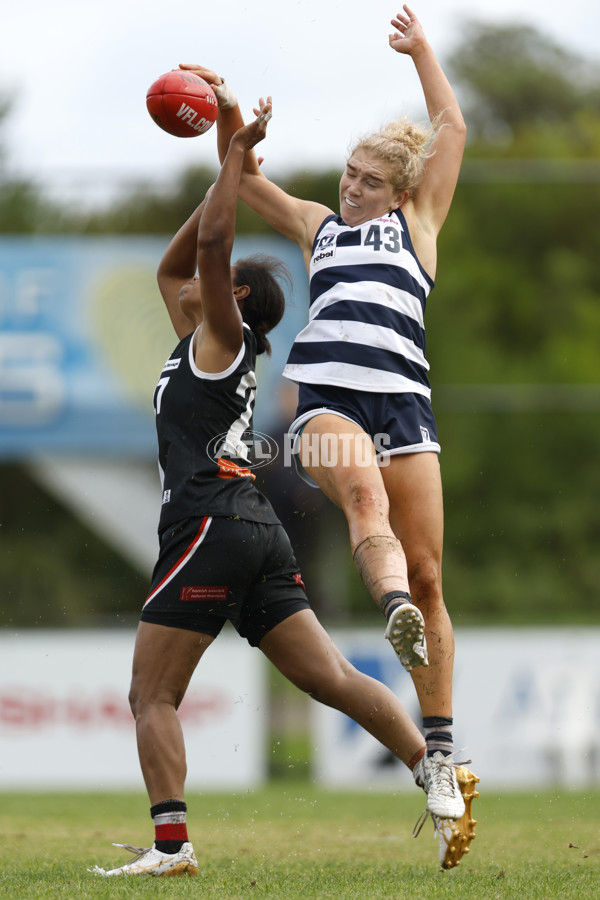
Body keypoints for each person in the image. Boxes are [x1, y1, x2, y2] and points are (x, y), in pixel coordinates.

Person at [90, 97, 468, 879]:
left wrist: (231, 164)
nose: (199, 282)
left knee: (149, 695)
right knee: (331, 676)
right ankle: (433, 772)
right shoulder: (193, 336)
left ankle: (172, 848)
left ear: (231, 304)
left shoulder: (220, 337)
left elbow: (216, 246)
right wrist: (221, 153)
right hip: (256, 529)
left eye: (217, 283)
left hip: (207, 523)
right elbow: (176, 265)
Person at [180, 5, 476, 828]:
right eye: (347, 172)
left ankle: (442, 757)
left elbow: (450, 122)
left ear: (403, 191)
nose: (350, 187)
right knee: (365, 502)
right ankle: (392, 615)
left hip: (405, 405)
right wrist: (232, 115)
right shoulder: (320, 229)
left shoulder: (417, 227)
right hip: (328, 403)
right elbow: (240, 178)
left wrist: (421, 52)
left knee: (430, 574)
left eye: (367, 180)